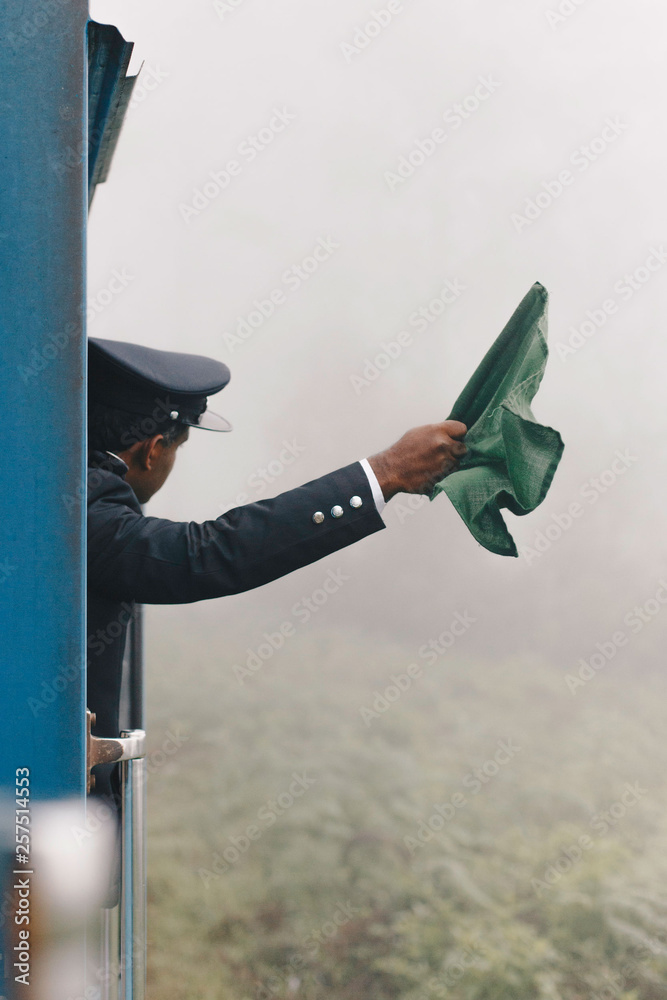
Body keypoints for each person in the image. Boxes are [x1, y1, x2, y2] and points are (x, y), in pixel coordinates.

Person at [87, 336, 467, 809]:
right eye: (176, 449)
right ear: (152, 449)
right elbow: (206, 554)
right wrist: (386, 472)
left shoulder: (61, 484)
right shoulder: (87, 508)